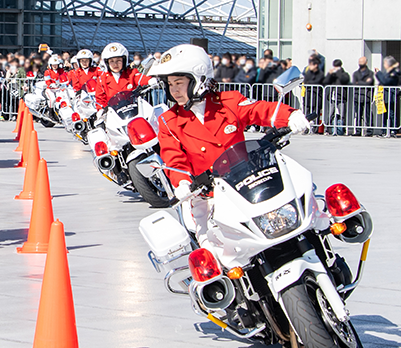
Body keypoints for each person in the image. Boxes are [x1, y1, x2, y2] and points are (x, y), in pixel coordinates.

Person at [149, 44, 309, 247]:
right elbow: (174, 159)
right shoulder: (168, 121)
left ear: (198, 79)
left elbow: (257, 110)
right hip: (208, 197)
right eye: (170, 84)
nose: (174, 90)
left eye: (179, 83)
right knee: (213, 252)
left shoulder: (228, 102)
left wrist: (289, 115)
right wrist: (181, 183)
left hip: (249, 184)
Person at [94, 42, 158, 109]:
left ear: (124, 61)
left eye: (118, 61)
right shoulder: (102, 79)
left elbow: (140, 78)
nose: (115, 64)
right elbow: (100, 99)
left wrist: (149, 80)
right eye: (112, 61)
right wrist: (101, 110)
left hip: (132, 109)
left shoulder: (131, 73)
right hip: (113, 113)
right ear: (107, 63)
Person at [323, 59, 350, 135]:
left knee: (342, 114)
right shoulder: (333, 75)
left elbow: (344, 80)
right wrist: (329, 74)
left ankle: (342, 130)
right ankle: (328, 130)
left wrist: (338, 72)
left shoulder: (344, 74)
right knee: (330, 114)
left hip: (341, 97)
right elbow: (326, 81)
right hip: (333, 97)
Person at [375, 55, 400, 137]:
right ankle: (384, 130)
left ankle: (393, 130)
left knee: (392, 113)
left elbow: (386, 82)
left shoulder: (394, 73)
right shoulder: (387, 73)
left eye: (385, 63)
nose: (384, 65)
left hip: (391, 96)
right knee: (385, 113)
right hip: (384, 96)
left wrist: (378, 73)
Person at [351, 57, 374, 136]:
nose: (360, 63)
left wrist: (359, 82)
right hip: (358, 96)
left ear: (366, 62)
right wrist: (364, 82)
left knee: (368, 115)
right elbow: (354, 84)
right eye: (359, 62)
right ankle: (358, 131)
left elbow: (369, 83)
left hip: (367, 96)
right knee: (358, 115)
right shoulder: (356, 73)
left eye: (362, 62)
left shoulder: (370, 73)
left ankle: (369, 131)